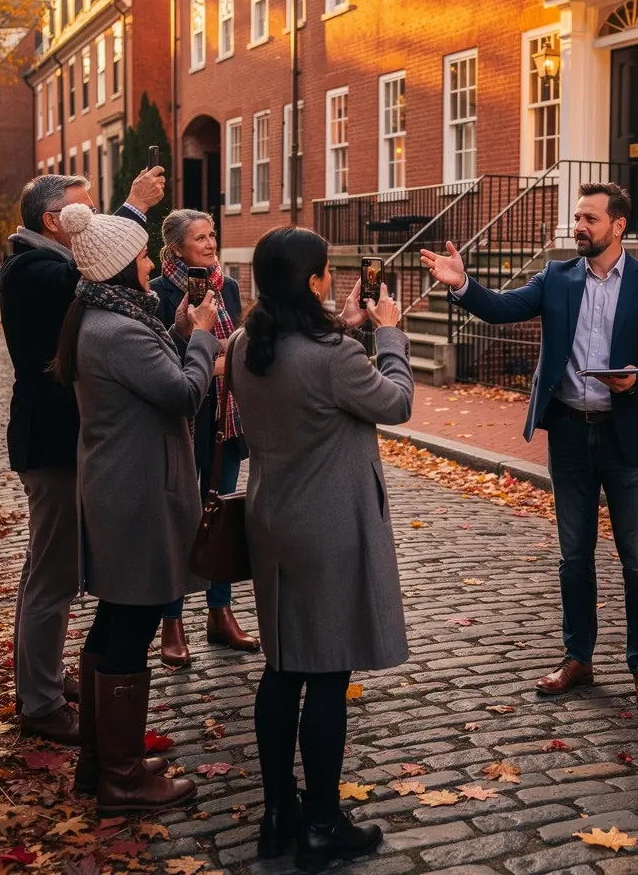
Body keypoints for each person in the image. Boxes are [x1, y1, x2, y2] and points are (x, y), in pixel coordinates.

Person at [423, 183, 638, 708]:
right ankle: (578, 658)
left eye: (590, 218)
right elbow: (500, 309)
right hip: (568, 432)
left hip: (625, 436)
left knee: (637, 558)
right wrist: (463, 284)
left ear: (618, 226)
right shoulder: (558, 277)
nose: (579, 226)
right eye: (577, 217)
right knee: (573, 555)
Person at [230, 227, 412, 871]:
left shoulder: (239, 344)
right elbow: (395, 403)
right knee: (328, 675)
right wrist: (386, 334)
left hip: (270, 519)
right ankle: (323, 825)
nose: (333, 278)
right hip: (330, 526)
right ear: (311, 281)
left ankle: (278, 812)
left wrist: (347, 330)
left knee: (283, 669)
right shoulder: (334, 354)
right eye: (326, 271)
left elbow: (306, 371)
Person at [52, 202, 218, 814]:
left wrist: (176, 333)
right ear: (122, 265)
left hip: (122, 486)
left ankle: (103, 761)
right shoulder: (117, 328)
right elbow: (179, 393)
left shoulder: (106, 316)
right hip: (136, 494)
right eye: (145, 255)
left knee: (116, 621)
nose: (152, 262)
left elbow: (148, 375)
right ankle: (123, 782)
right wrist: (199, 340)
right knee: (134, 623)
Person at [0, 170, 163, 744]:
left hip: (55, 439)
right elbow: (102, 270)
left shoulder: (38, 264)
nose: (92, 221)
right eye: (83, 213)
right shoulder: (38, 270)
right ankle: (40, 702)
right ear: (53, 221)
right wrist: (134, 209)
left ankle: (39, 677)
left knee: (48, 569)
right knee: (53, 575)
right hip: (51, 442)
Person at [150, 209, 259, 666]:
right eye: (200, 237)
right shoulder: (157, 294)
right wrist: (205, 360)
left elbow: (238, 347)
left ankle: (220, 611)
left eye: (213, 234)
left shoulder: (227, 287)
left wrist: (228, 364)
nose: (211, 243)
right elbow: (157, 362)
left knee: (220, 517)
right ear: (176, 248)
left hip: (225, 422)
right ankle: (171, 621)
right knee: (181, 518)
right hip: (183, 420)